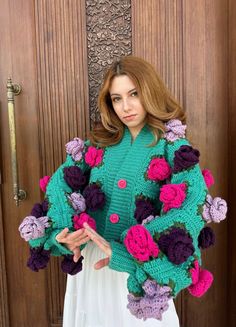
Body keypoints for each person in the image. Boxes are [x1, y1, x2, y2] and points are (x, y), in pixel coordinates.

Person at [18, 56, 227, 327]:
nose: (125, 106)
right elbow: (61, 186)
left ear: (150, 92)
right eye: (116, 98)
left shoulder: (172, 145)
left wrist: (131, 253)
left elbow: (191, 205)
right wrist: (64, 234)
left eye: (133, 94)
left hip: (138, 275)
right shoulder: (98, 144)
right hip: (92, 265)